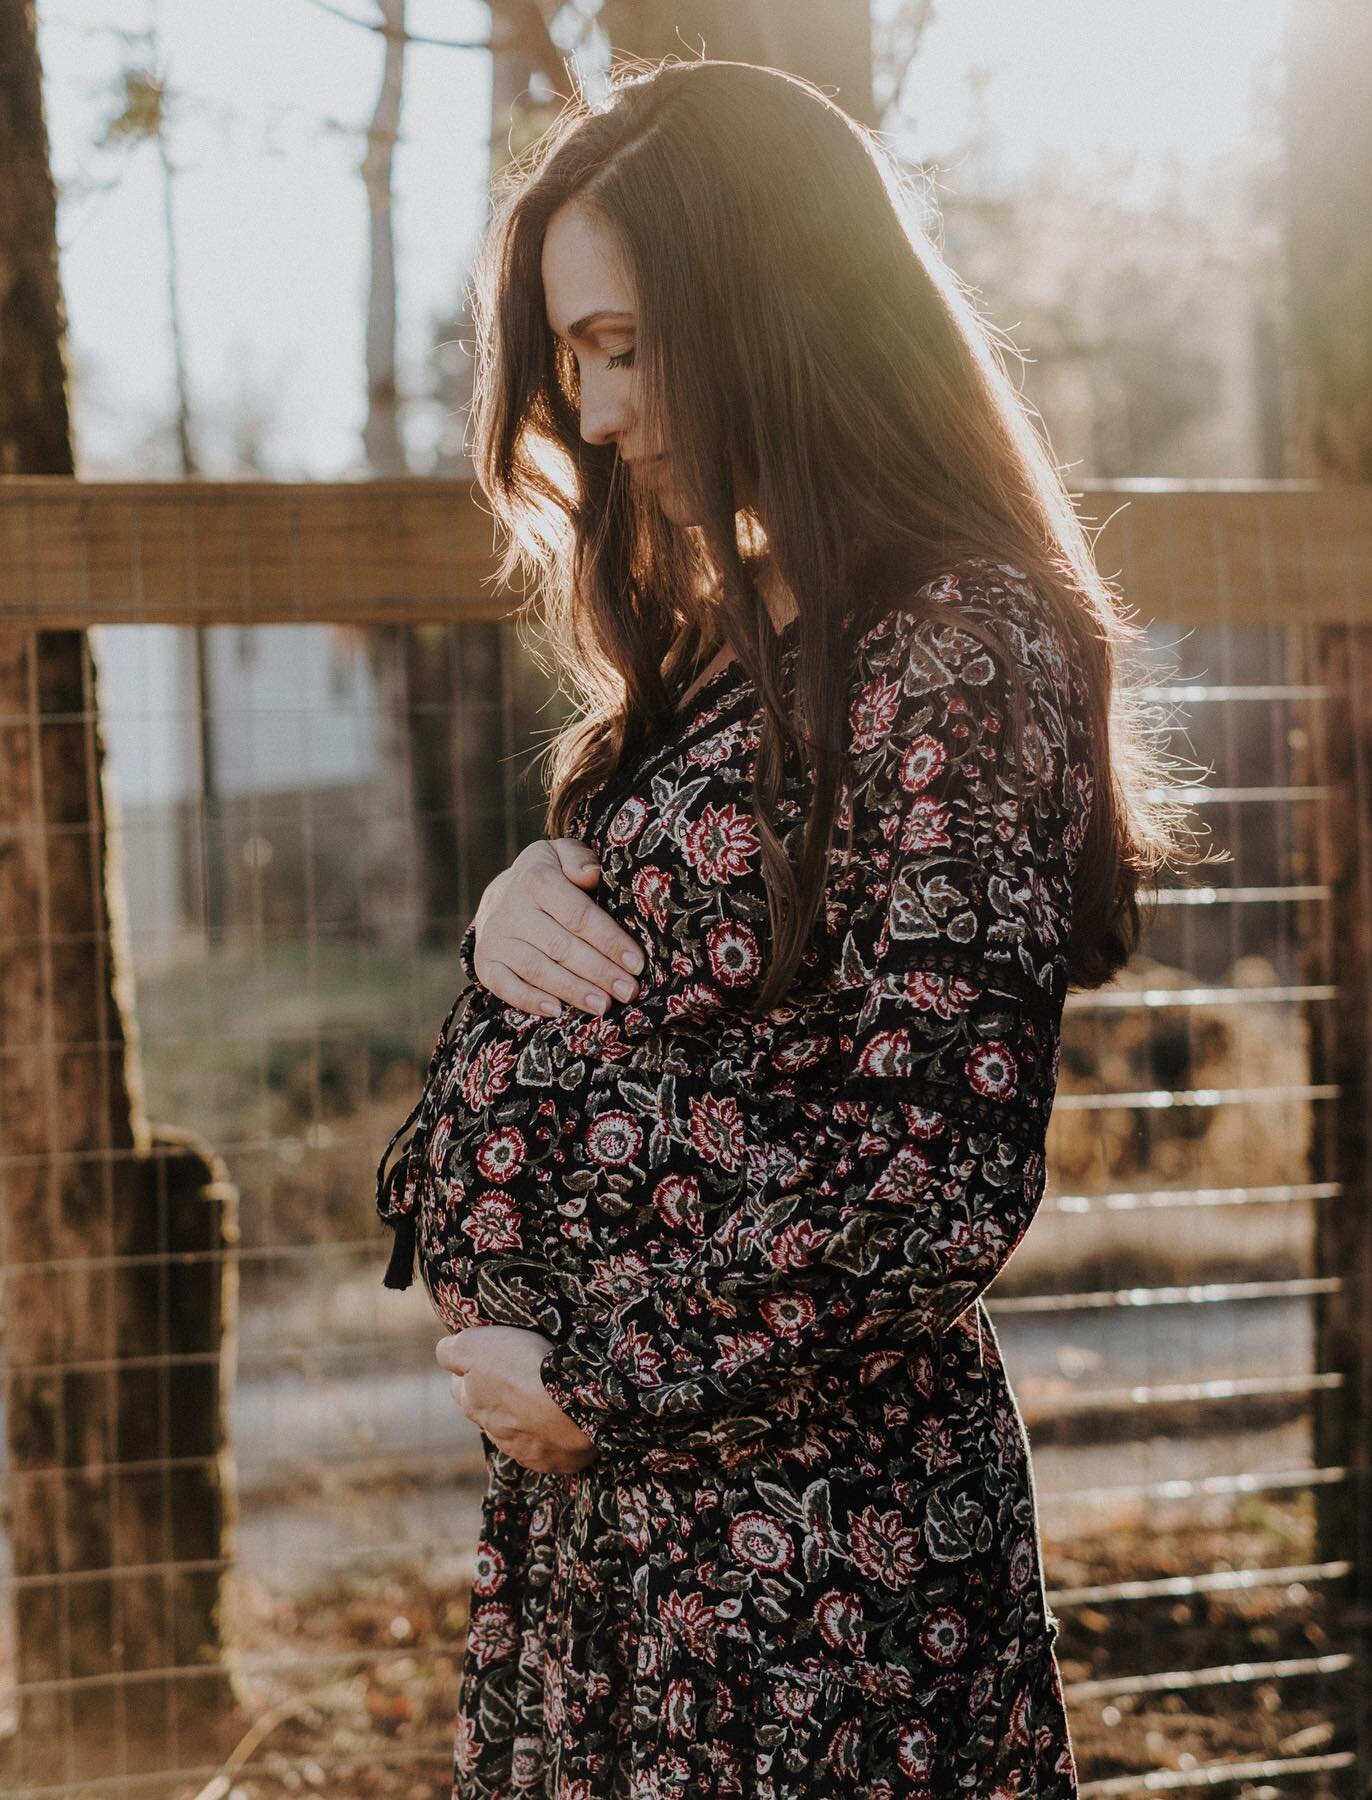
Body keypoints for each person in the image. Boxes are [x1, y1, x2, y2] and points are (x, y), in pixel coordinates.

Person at [375, 55, 1199, 1800]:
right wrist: (517, 909)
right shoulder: (740, 647)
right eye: (570, 358)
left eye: (620, 341)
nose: (592, 415)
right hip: (628, 1540)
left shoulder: (960, 646)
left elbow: (935, 1165)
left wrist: (606, 1376)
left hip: (806, 1568)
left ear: (768, 301)